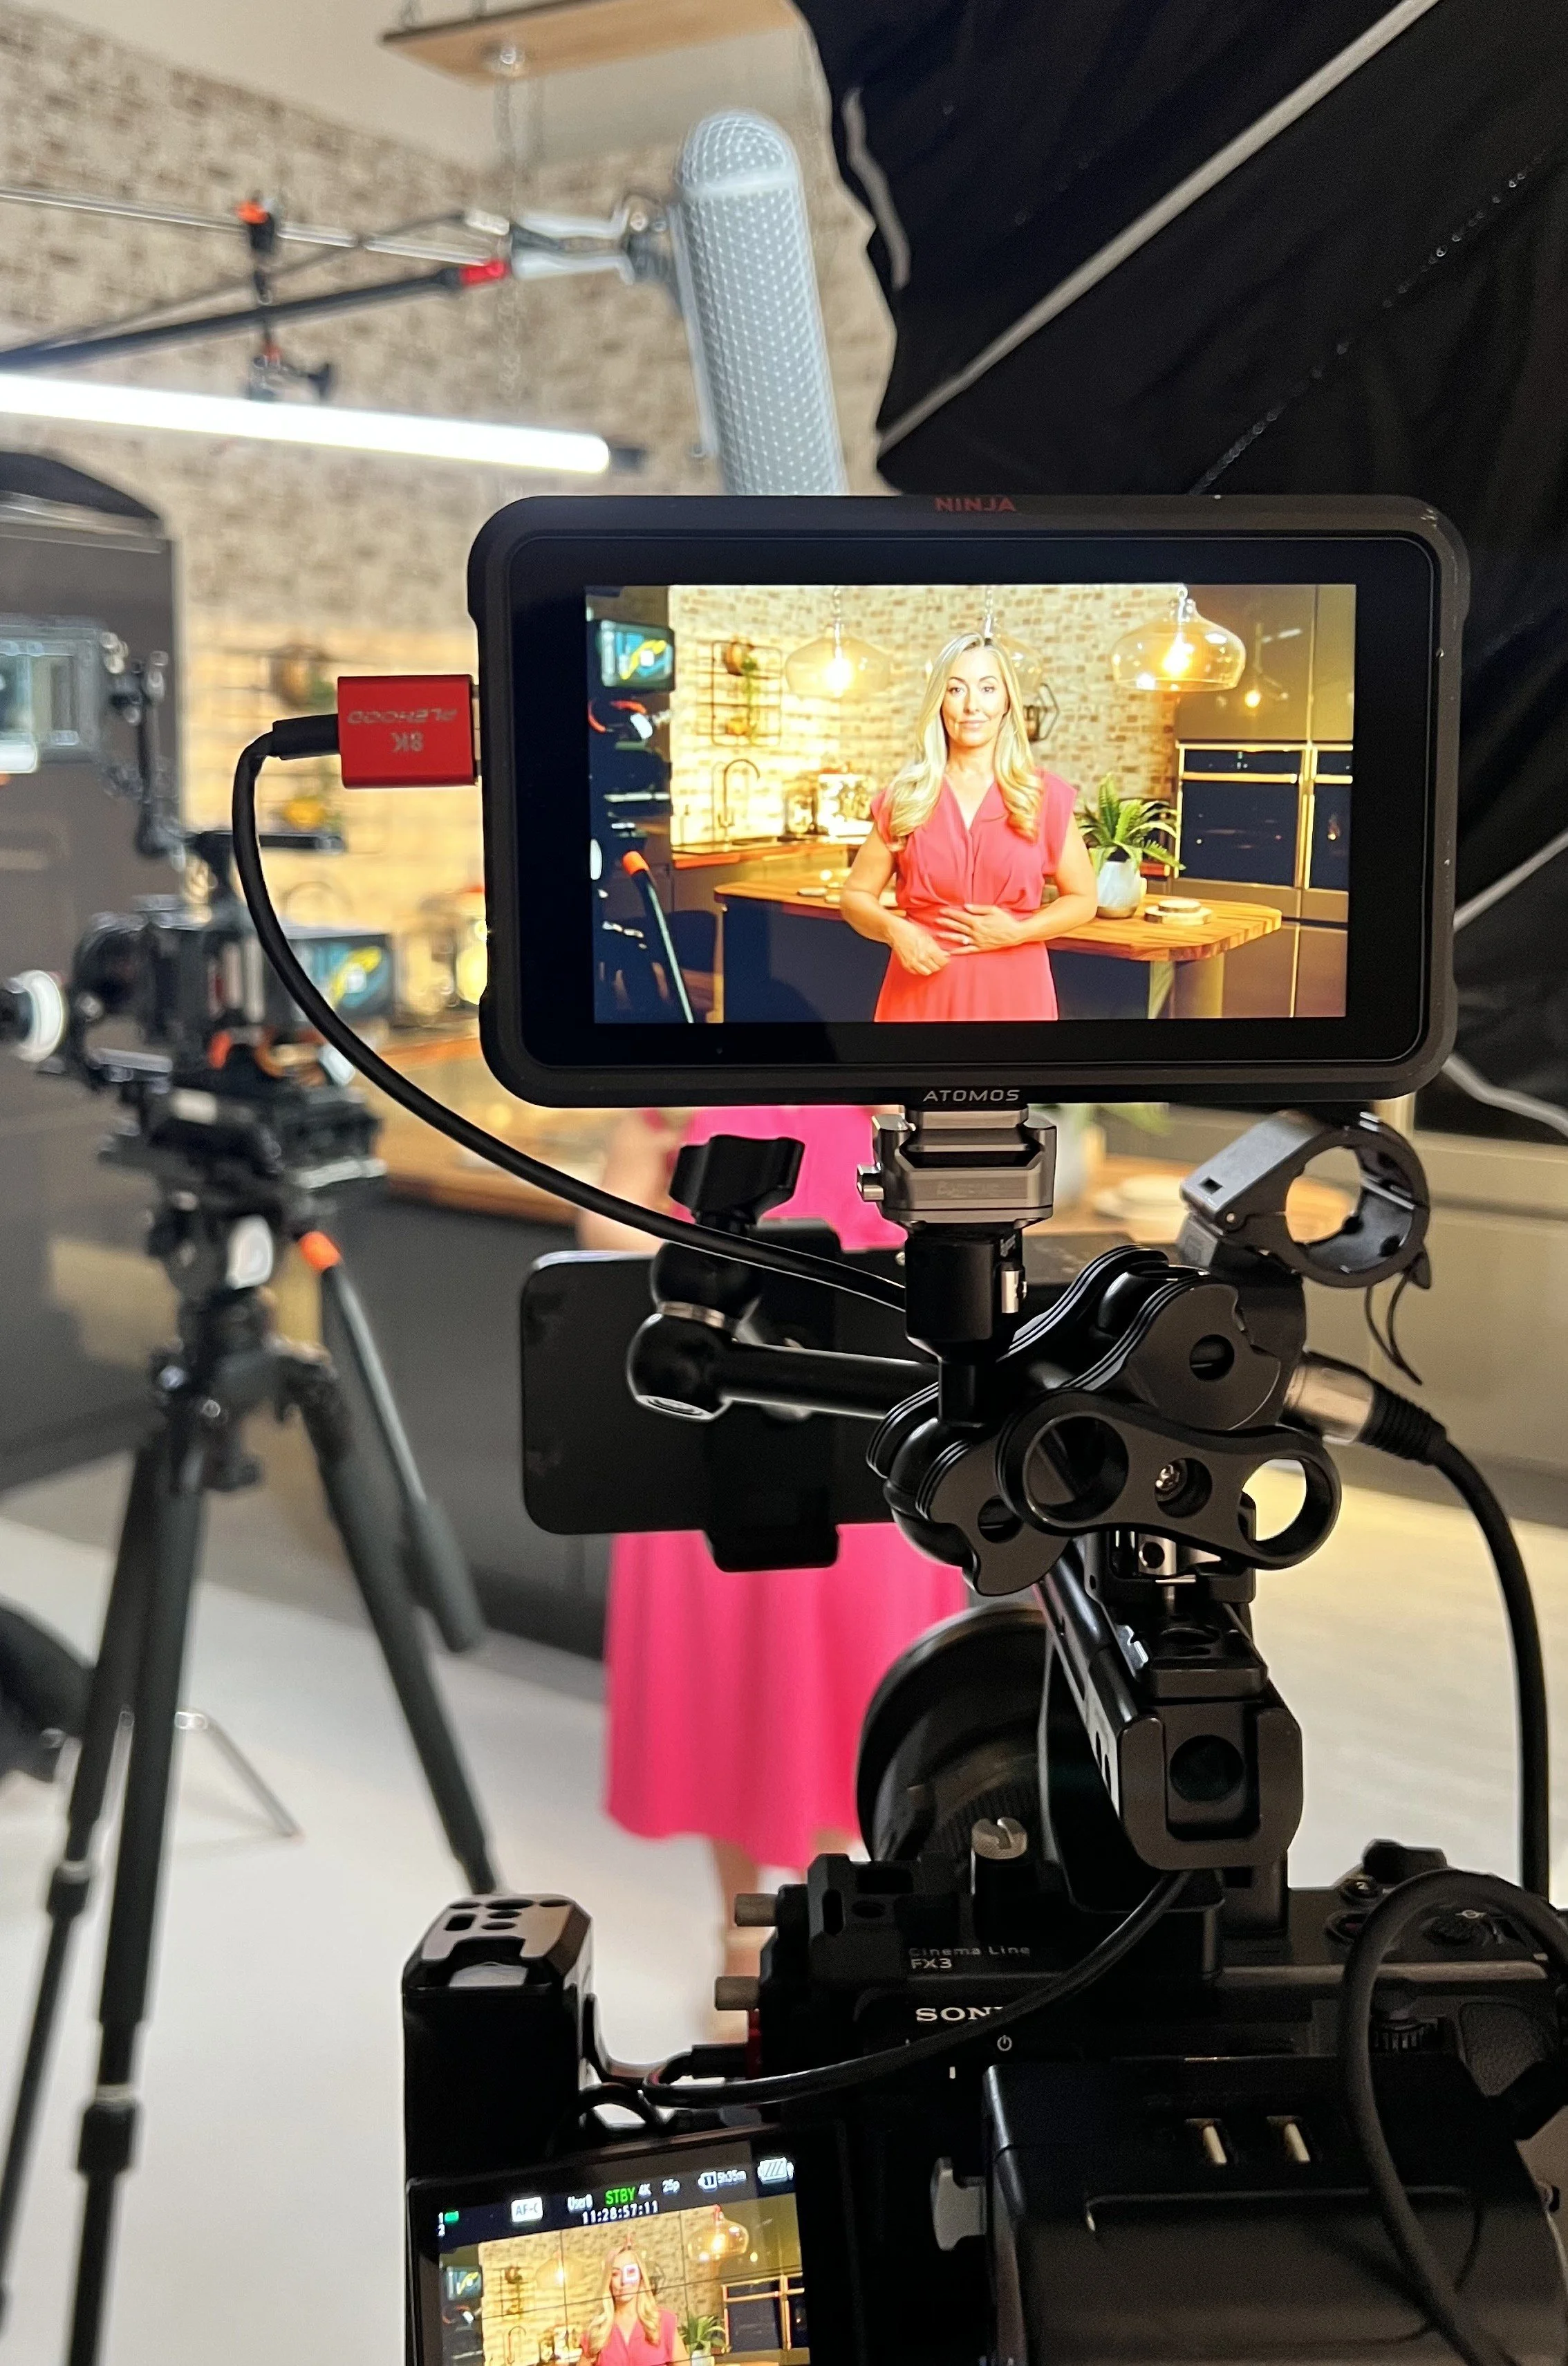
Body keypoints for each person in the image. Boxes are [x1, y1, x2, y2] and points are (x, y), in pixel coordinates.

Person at [580, 1103, 967, 1999]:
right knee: (721, 1690)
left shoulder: (896, 1083)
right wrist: (706, 1268)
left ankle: (837, 1915)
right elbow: (603, 1223)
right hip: (714, 1420)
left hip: (867, 1428)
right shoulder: (678, 1084)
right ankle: (741, 1929)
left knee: (862, 1684)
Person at [839, 631, 1099, 1021]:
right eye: (956, 689)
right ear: (939, 702)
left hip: (1015, 992)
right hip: (919, 993)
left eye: (988, 689)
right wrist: (896, 931)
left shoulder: (1044, 796)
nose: (972, 705)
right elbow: (855, 896)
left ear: (1007, 701)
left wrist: (1019, 932)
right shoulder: (906, 797)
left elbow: (1083, 899)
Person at [582, 2244, 685, 2366]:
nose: (624, 2281)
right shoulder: (597, 2333)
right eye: (615, 2274)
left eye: (630, 2272)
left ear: (641, 2277)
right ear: (608, 2281)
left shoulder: (664, 2322)